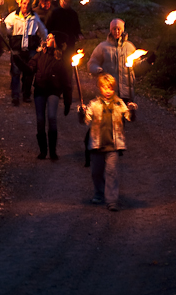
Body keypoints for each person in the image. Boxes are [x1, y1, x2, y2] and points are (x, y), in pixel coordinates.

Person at [79, 73, 135, 211]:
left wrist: (132, 110)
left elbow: (129, 117)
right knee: (96, 172)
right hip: (97, 145)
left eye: (110, 88)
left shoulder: (119, 103)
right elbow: (85, 120)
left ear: (114, 88)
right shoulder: (94, 104)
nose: (107, 90)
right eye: (104, 87)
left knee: (112, 172)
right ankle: (99, 193)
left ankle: (112, 200)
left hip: (113, 145)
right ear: (100, 88)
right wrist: (81, 112)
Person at [85, 18, 137, 166]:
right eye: (114, 28)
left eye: (119, 28)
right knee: (106, 118)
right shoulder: (103, 47)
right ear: (110, 30)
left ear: (123, 30)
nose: (116, 31)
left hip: (125, 89)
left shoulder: (130, 47)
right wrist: (97, 70)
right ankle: (101, 144)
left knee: (121, 117)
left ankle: (117, 144)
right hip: (109, 89)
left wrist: (147, 62)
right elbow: (92, 62)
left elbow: (137, 66)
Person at [26, 32, 72, 160]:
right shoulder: (39, 55)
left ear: (56, 41)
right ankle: (43, 151)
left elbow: (66, 81)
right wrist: (20, 63)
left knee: (51, 117)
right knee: (40, 120)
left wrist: (68, 101)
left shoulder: (60, 59)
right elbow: (29, 69)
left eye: (51, 37)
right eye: (47, 37)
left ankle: (52, 151)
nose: (48, 39)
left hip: (53, 91)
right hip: (40, 90)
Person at [4, 0, 47, 106]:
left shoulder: (34, 17)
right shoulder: (13, 16)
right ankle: (15, 96)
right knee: (16, 72)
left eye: (28, 3)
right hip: (17, 49)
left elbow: (42, 31)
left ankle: (26, 94)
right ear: (20, 3)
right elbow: (6, 30)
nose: (26, 5)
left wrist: (45, 42)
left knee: (29, 72)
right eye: (24, 3)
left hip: (30, 49)